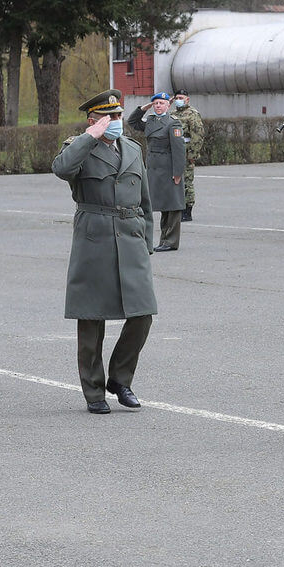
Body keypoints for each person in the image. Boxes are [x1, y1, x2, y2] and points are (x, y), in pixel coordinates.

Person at [52, 90, 157, 414]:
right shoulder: (79, 148)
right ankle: (94, 391)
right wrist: (89, 137)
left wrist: (146, 239)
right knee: (92, 318)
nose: (116, 122)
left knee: (142, 313)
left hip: (130, 237)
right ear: (93, 120)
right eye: (108, 117)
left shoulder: (132, 149)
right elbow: (61, 168)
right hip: (95, 237)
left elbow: (145, 199)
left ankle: (120, 379)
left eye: (118, 116)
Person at [127, 92, 186, 252]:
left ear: (168, 105)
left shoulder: (173, 123)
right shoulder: (151, 121)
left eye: (161, 103)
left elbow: (179, 150)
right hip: (153, 169)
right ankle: (164, 240)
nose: (158, 106)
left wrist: (178, 172)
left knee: (172, 205)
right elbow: (132, 121)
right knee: (163, 205)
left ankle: (171, 241)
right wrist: (145, 107)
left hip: (168, 169)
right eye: (156, 103)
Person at [171, 89, 205, 222]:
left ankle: (187, 210)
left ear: (187, 99)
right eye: (177, 97)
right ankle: (177, 208)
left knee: (187, 181)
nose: (178, 100)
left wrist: (193, 153)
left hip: (186, 152)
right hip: (174, 152)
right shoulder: (172, 114)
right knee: (175, 180)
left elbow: (198, 135)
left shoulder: (192, 114)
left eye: (181, 97)